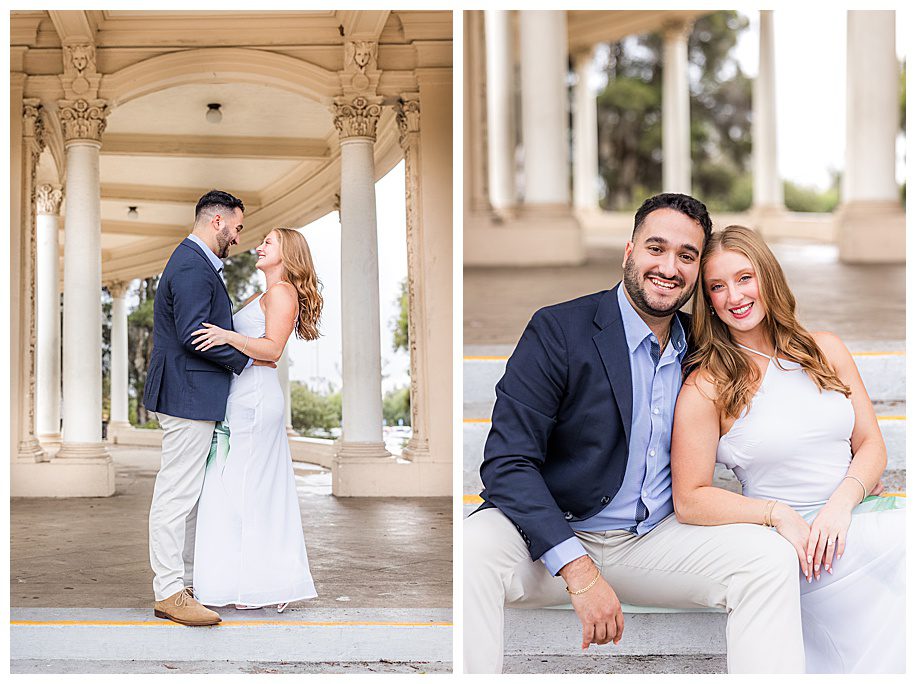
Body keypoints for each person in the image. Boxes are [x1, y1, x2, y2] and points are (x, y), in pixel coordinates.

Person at [464, 193, 807, 674]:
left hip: (656, 540)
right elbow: (507, 463)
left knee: (769, 561)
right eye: (656, 248)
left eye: (687, 256)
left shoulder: (705, 346)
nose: (669, 267)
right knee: (470, 551)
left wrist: (848, 470)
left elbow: (781, 410)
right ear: (629, 251)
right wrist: (579, 571)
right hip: (550, 537)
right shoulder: (559, 329)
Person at [670, 225, 904, 673]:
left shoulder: (826, 349)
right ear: (707, 301)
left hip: (852, 517)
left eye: (744, 278)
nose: (733, 296)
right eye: (716, 286)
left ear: (768, 277)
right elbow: (690, 498)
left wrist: (841, 504)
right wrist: (777, 514)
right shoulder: (707, 386)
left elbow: (871, 444)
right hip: (794, 548)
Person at [144, 190, 273, 626]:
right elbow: (194, 334)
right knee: (175, 494)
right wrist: (246, 360)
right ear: (216, 221)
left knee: (179, 492)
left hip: (190, 392)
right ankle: (169, 592)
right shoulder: (193, 265)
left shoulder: (193, 262)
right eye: (236, 228)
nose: (237, 238)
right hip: (187, 393)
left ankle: (173, 585)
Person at [189, 227, 322, 611]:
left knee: (245, 490)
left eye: (269, 242)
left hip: (256, 400)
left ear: (288, 253)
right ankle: (246, 580)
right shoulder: (265, 294)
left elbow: (272, 350)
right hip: (241, 396)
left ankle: (262, 583)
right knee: (233, 488)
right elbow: (258, 350)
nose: (260, 247)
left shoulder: (281, 293)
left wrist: (225, 337)